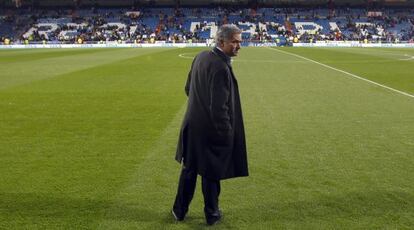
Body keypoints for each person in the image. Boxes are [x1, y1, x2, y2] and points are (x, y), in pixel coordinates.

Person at [172, 24, 249, 226]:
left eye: (240, 41)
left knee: (189, 169)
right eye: (235, 42)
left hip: (191, 126)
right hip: (210, 132)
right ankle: (212, 214)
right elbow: (219, 109)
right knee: (211, 172)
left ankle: (179, 211)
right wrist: (227, 135)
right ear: (221, 42)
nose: (239, 46)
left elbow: (188, 89)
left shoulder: (200, 57)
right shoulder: (221, 67)